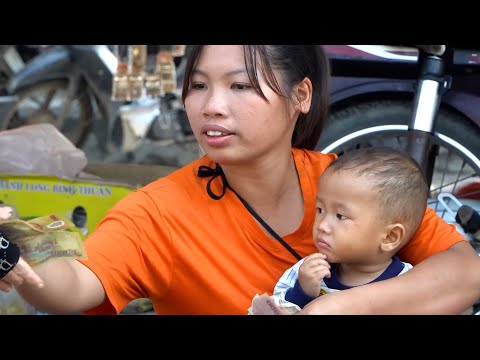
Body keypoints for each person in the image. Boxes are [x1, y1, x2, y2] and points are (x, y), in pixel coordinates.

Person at [0, 45, 479, 315]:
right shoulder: (160, 211)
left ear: (301, 95)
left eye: (241, 85)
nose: (212, 106)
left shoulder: (346, 186)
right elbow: (73, 287)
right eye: (200, 85)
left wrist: (348, 308)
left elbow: (465, 272)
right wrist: (15, 255)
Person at [273, 147, 427, 309]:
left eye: (341, 216)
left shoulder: (407, 285)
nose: (323, 226)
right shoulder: (307, 271)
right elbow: (269, 310)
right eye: (320, 210)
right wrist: (302, 293)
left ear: (390, 237)